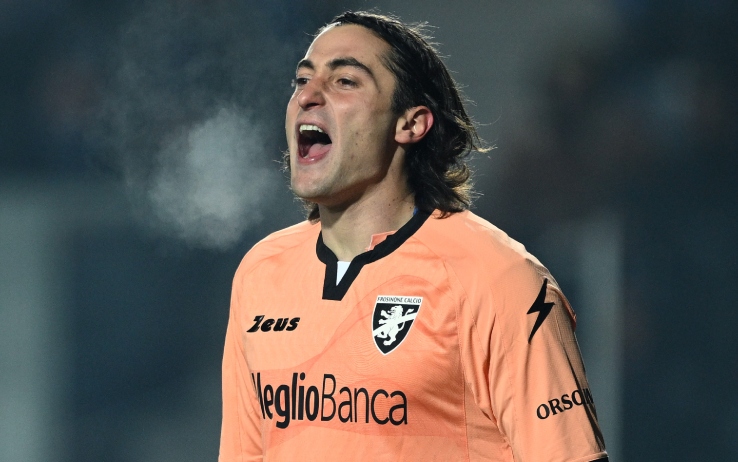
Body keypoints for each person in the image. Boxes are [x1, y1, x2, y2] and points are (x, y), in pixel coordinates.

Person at [220, 10, 608, 462]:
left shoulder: (499, 278)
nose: (307, 95)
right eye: (302, 80)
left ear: (411, 123)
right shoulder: (261, 273)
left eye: (345, 81)